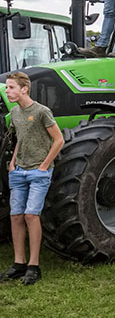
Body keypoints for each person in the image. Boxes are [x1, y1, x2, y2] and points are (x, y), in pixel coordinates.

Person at [1, 72, 64, 286]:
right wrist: (13, 163)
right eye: (7, 87)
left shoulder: (41, 112)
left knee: (31, 215)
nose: (7, 91)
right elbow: (21, 138)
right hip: (19, 171)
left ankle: (33, 266)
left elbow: (58, 140)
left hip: (39, 172)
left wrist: (44, 165)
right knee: (16, 216)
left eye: (11, 87)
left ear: (24, 89)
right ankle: (19, 263)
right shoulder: (15, 113)